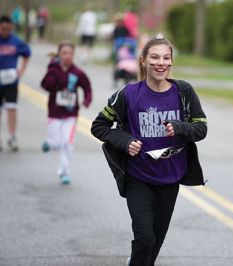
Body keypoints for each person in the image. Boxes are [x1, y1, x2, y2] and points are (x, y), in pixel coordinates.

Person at [91, 33, 207, 266]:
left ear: (171, 61)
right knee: (144, 236)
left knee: (155, 241)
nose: (160, 63)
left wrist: (180, 127)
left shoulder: (183, 92)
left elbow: (201, 128)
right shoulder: (128, 94)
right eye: (154, 57)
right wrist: (124, 140)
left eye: (166, 58)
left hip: (170, 177)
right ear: (143, 60)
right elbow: (99, 126)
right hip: (138, 176)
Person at [40, 41, 92, 184]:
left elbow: (87, 88)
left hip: (71, 113)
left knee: (67, 143)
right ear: (59, 55)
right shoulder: (53, 69)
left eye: (70, 53)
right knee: (56, 143)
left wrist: (86, 101)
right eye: (64, 53)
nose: (68, 56)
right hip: (55, 112)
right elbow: (45, 85)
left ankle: (64, 172)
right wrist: (52, 69)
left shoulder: (77, 72)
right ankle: (49, 142)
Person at [0, 15, 31, 151]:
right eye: (3, 28)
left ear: (11, 28)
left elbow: (27, 53)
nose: (5, 31)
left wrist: (22, 70)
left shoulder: (16, 41)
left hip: (11, 81)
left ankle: (12, 137)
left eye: (8, 29)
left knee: (11, 108)